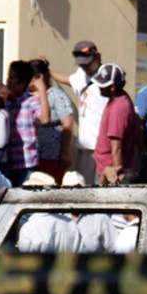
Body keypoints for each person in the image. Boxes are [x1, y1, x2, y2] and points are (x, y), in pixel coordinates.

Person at [43, 40, 105, 185]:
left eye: (87, 63)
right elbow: (67, 80)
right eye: (81, 63)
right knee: (85, 188)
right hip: (85, 146)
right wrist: (47, 69)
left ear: (97, 57)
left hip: (103, 146)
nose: (84, 66)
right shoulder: (81, 75)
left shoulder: (107, 76)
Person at [92, 64, 142, 185]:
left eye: (102, 84)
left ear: (112, 87)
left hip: (110, 173)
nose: (99, 86)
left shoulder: (118, 108)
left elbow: (116, 147)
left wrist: (117, 178)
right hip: (107, 169)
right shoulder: (122, 98)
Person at [5, 60, 50, 186]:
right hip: (8, 162)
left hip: (27, 163)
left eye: (12, 78)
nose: (8, 81)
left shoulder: (31, 101)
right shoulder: (6, 102)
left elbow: (45, 119)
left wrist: (42, 91)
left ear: (23, 82)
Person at [31, 59, 75, 183]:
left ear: (39, 77)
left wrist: (65, 153)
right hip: (30, 157)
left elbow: (68, 123)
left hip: (51, 155)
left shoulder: (56, 95)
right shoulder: (25, 96)